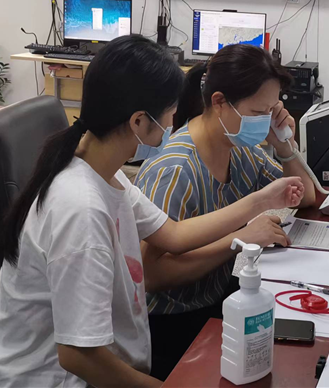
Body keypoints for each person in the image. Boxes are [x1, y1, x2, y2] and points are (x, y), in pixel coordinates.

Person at [0, 36, 304, 388]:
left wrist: (261, 200)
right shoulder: (81, 209)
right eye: (170, 113)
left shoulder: (105, 174)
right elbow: (78, 357)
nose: (173, 124)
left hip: (115, 361)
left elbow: (173, 234)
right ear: (139, 121)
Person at [136, 44, 317, 379]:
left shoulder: (240, 149)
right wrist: (239, 240)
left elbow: (304, 196)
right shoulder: (174, 171)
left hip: (216, 298)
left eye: (271, 112)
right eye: (258, 112)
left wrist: (283, 144)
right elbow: (152, 275)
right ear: (219, 102)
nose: (265, 121)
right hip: (170, 324)